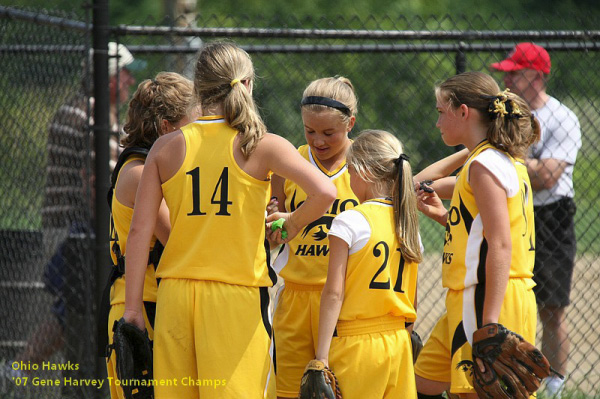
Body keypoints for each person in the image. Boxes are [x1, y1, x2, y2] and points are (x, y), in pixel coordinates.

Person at [122, 41, 337, 399]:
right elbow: (325, 193)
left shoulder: (165, 146)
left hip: (176, 293)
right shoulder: (261, 144)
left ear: (198, 87)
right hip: (234, 297)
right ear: (247, 85)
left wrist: (132, 309)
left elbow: (140, 231)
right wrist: (291, 224)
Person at [2, 42, 144, 386]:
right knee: (74, 313)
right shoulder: (91, 115)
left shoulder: (80, 109)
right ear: (107, 76)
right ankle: (20, 372)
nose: (128, 81)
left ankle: (28, 374)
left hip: (71, 228)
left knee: (76, 312)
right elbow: (105, 177)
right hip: (76, 232)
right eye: (123, 73)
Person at [413, 71, 540, 398]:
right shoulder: (498, 160)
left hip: (486, 296)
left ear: (463, 112)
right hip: (476, 295)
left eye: (442, 112)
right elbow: (479, 234)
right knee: (420, 383)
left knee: (474, 393)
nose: (437, 122)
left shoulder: (485, 165)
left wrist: (489, 326)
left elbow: (499, 243)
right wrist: (444, 215)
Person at [490, 42, 581, 397]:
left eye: (515, 72)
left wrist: (508, 159)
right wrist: (524, 164)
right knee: (514, 299)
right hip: (514, 210)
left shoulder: (562, 118)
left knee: (552, 306)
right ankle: (512, 378)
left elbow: (548, 178)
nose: (508, 79)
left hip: (551, 216)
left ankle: (555, 386)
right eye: (507, 72)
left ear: (537, 76)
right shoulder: (503, 114)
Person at [105, 72, 196, 399]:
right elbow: (177, 237)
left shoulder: (140, 166)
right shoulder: (142, 172)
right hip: (143, 303)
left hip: (150, 298)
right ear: (166, 127)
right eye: (192, 122)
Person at [269, 76, 359, 399]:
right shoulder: (289, 163)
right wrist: (273, 226)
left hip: (344, 300)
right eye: (310, 131)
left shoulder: (364, 166)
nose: (318, 141)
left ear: (350, 123)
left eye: (328, 133)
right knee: (289, 392)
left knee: (340, 390)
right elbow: (273, 236)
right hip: (294, 298)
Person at [314, 129, 422, 399]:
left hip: (357, 345)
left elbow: (334, 293)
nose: (348, 178)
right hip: (398, 344)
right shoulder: (407, 225)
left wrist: (321, 358)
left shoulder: (350, 220)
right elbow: (413, 300)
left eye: (349, 170)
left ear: (365, 171)